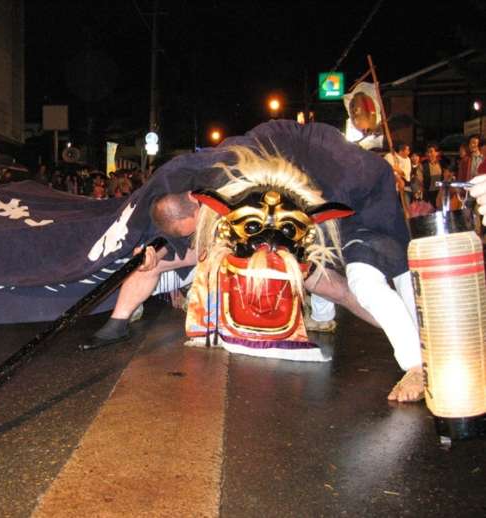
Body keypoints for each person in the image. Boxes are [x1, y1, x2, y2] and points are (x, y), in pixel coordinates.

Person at [82, 121, 423, 403]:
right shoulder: (190, 184)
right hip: (308, 191)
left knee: (362, 279)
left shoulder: (235, 184)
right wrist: (146, 251)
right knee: (331, 274)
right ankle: (117, 321)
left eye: (196, 228)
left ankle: (419, 357)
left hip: (352, 191)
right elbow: (158, 229)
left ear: (197, 203)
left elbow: (310, 210)